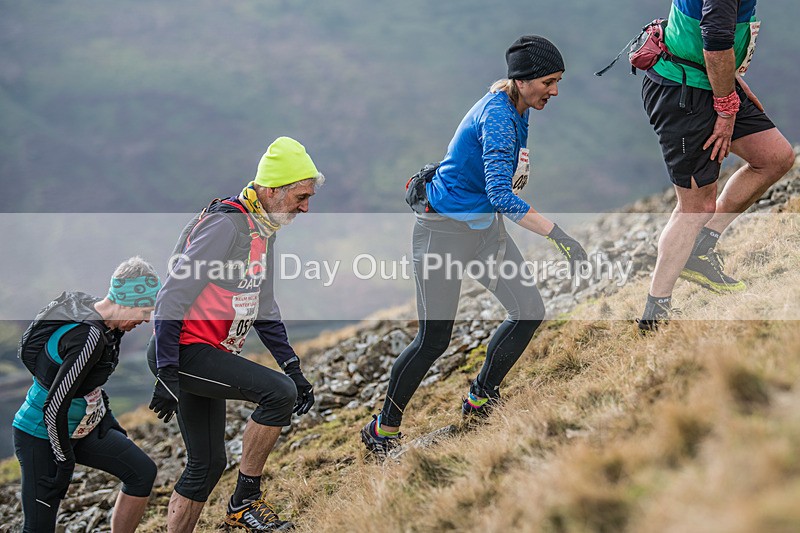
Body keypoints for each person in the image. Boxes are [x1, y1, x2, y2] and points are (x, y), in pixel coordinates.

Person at [360, 35, 587, 455]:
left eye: (558, 81)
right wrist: (559, 235)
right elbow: (502, 194)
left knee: (528, 311)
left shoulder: (517, 106)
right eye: (549, 82)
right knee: (434, 340)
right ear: (521, 80)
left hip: (483, 232)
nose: (555, 91)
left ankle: (480, 396)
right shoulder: (499, 117)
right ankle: (383, 429)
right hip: (441, 233)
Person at [147, 136, 321, 532]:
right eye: (301, 196)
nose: (306, 207)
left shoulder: (263, 229)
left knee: (207, 464)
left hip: (203, 354)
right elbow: (171, 296)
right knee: (278, 394)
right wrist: (167, 371)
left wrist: (292, 366)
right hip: (184, 352)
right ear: (273, 189)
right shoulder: (227, 225)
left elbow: (265, 306)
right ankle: (244, 504)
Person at [638, 0, 795, 329]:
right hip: (685, 91)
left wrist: (730, 81)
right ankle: (655, 313)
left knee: (774, 157)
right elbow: (715, 37)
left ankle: (700, 250)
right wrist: (726, 107)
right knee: (695, 207)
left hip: (713, 81)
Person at [12, 256, 161, 533]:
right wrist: (64, 462)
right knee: (39, 527)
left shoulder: (106, 325)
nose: (147, 320)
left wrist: (107, 419)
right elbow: (55, 405)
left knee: (141, 472)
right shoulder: (88, 338)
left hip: (80, 431)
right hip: (41, 437)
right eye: (145, 312)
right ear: (128, 301)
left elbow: (88, 383)